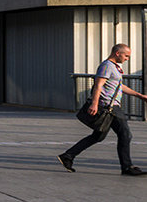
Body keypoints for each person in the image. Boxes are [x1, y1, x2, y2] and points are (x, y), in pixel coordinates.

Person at [60, 43, 146, 175]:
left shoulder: (114, 68)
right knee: (125, 135)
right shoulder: (106, 66)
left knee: (98, 136)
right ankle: (127, 167)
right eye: (126, 56)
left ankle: (68, 156)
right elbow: (98, 85)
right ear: (118, 53)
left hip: (110, 106)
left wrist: (139, 95)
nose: (127, 59)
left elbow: (119, 86)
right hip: (109, 107)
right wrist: (94, 104)